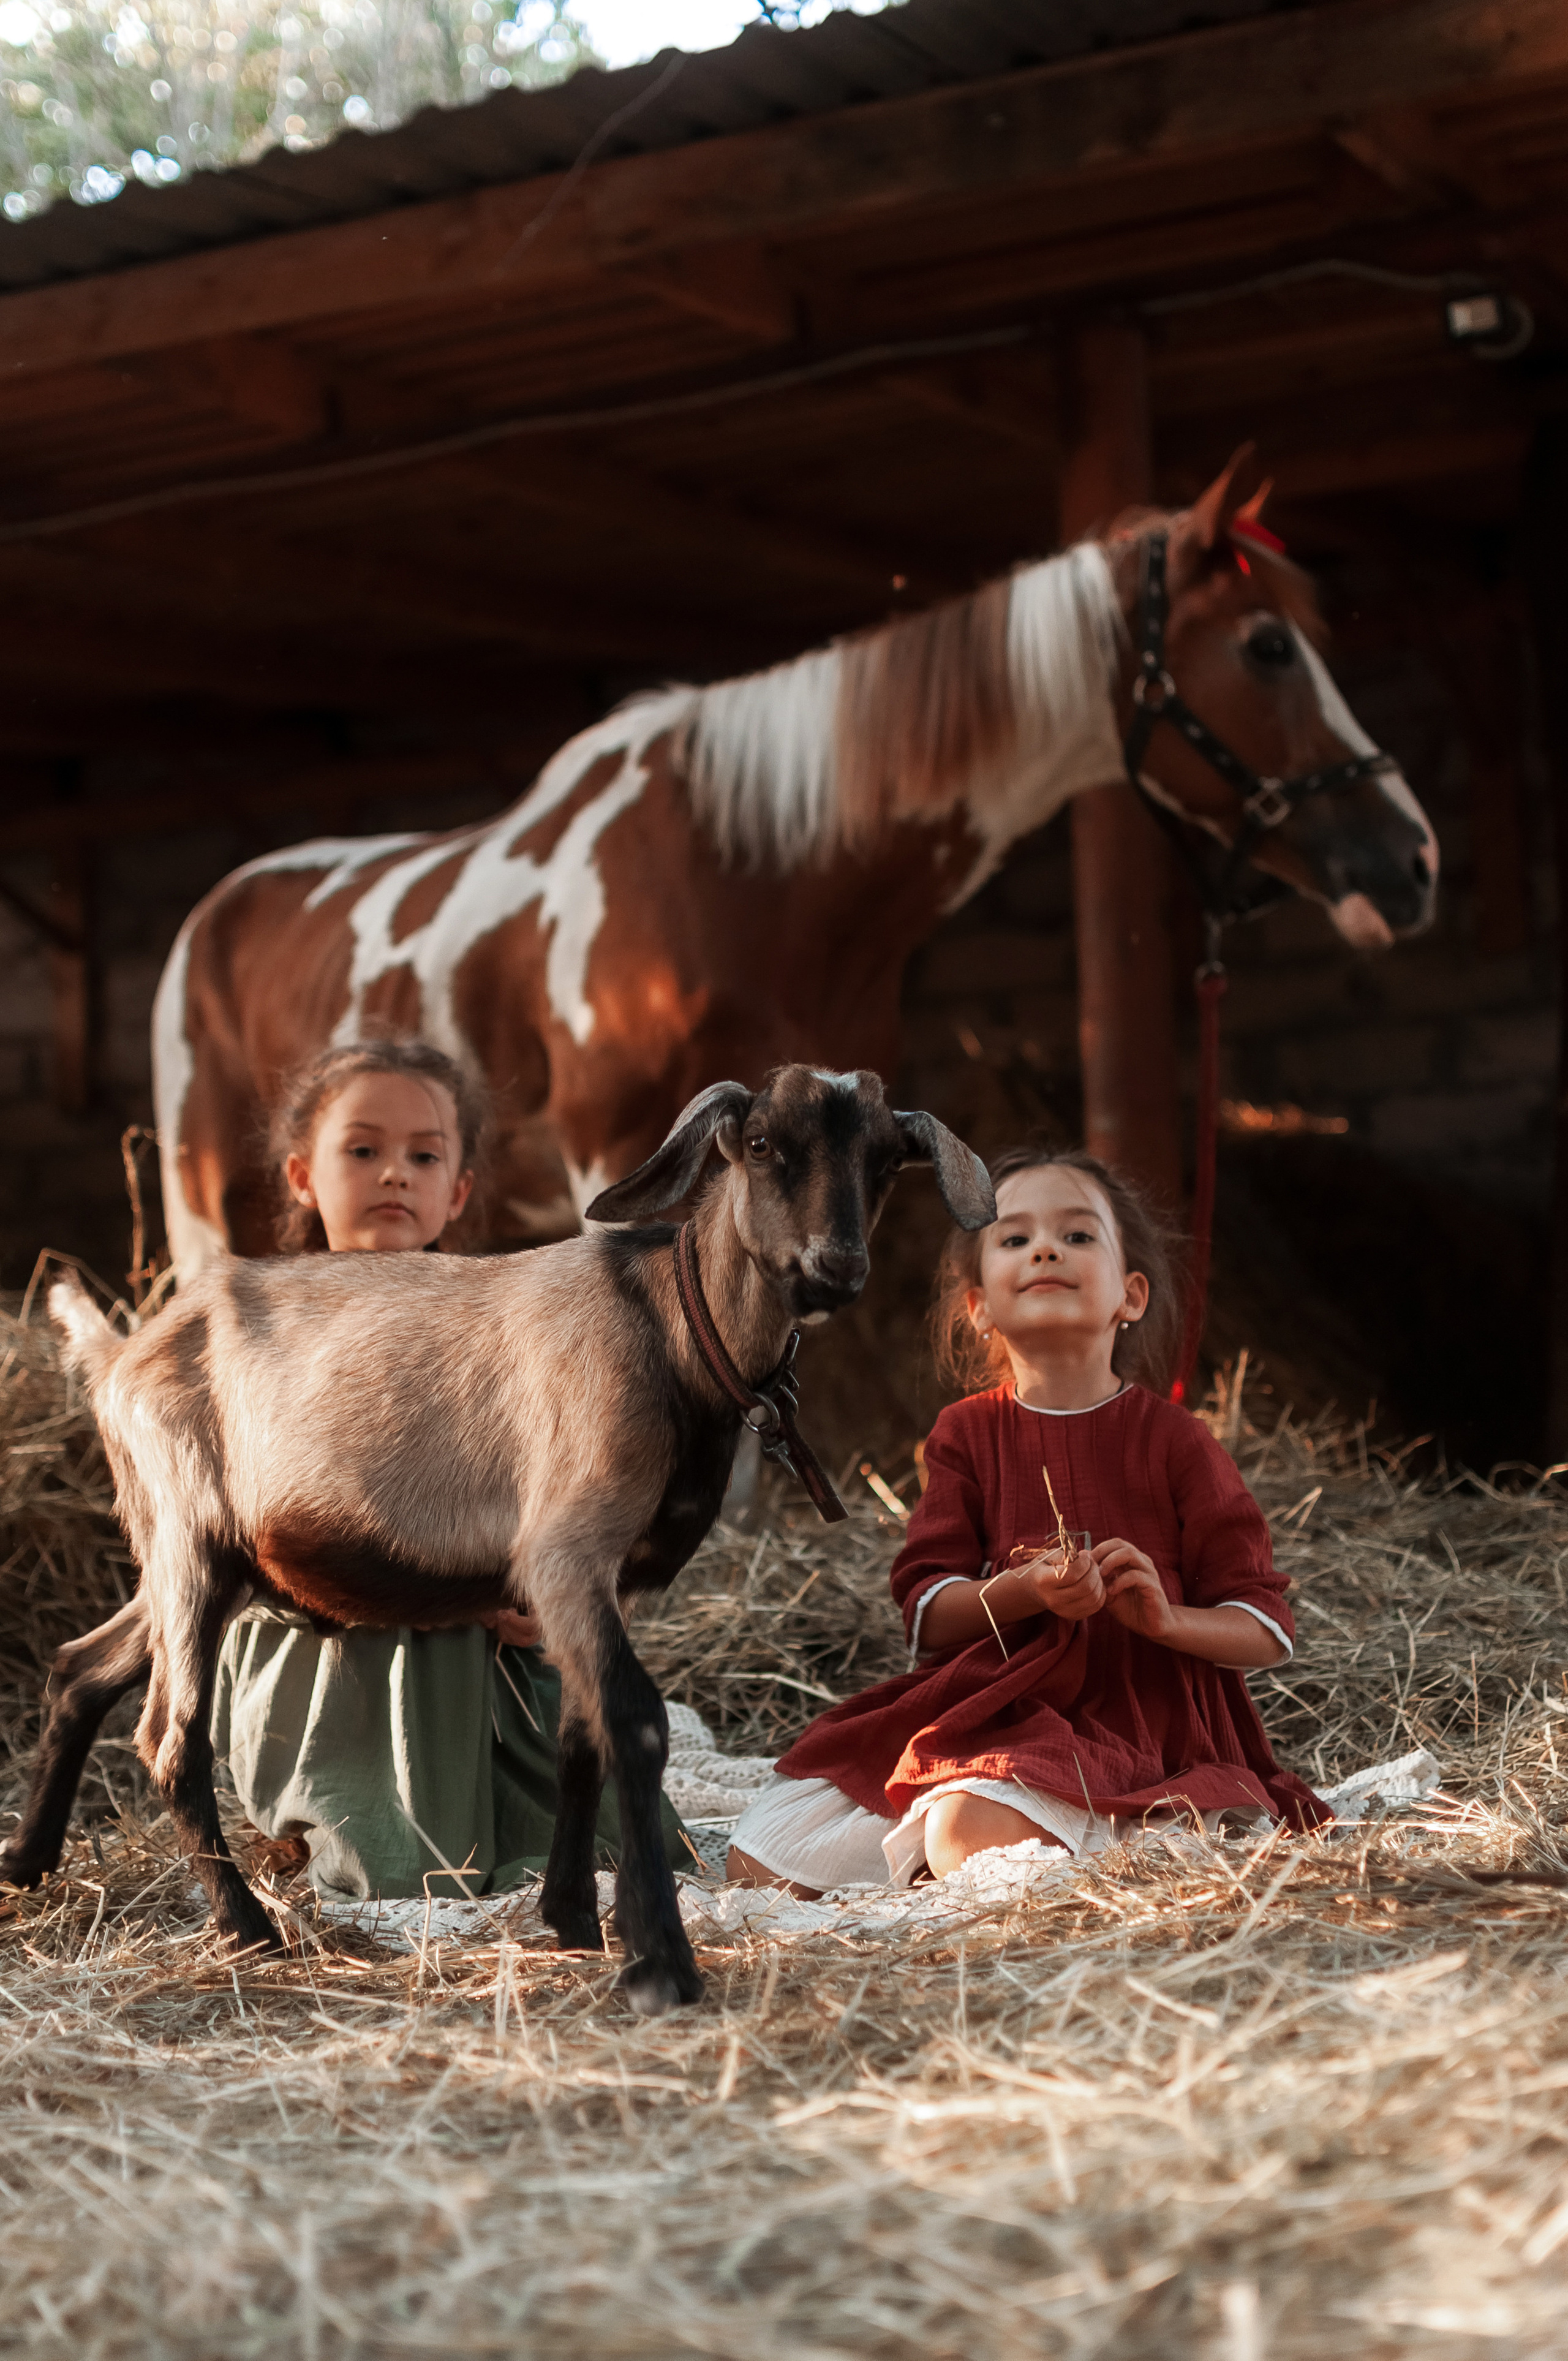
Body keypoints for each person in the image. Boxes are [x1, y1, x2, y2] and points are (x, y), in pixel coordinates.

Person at [726, 1144, 1327, 1895]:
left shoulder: (1177, 1440)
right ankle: (1008, 1840)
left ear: (1130, 1295)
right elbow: (927, 1613)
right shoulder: (965, 1434)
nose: (1045, 1248)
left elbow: (1264, 1628)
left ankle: (1117, 1827)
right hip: (998, 1706)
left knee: (963, 1833)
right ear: (978, 1306)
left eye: (1077, 1235)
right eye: (1015, 1237)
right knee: (761, 1862)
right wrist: (1023, 1590)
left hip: (1145, 1719)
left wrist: (1165, 1620)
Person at [210, 1036, 691, 1901]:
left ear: (459, 1190)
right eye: (363, 1150)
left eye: (424, 1156)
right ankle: (366, 1811)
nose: (395, 1172)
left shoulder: (493, 1321)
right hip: (327, 1640)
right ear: (303, 1176)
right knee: (417, 1871)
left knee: (636, 1835)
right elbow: (238, 1518)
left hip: (482, 1649)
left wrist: (535, 1591)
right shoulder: (269, 1328)